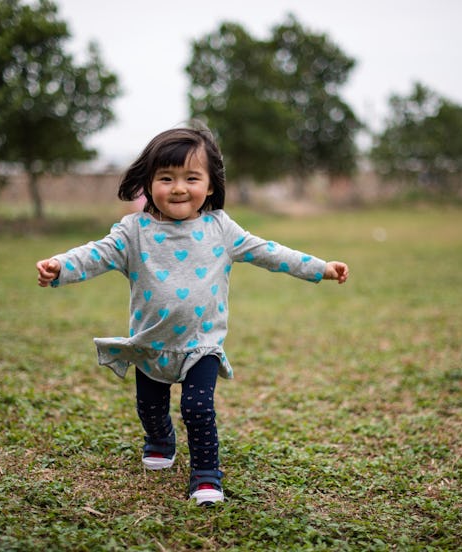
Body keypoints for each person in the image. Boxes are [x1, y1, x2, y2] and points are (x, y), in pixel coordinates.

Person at [36, 124, 349, 505]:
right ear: (148, 184)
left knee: (197, 408)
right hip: (151, 344)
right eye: (166, 178)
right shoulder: (133, 231)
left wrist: (320, 268)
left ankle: (205, 476)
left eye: (191, 177)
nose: (179, 187)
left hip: (201, 345)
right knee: (149, 407)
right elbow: (95, 254)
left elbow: (270, 252)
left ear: (211, 185)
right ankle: (159, 438)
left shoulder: (221, 228)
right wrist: (61, 266)